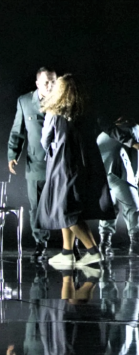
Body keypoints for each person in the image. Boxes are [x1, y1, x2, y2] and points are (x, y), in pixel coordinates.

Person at [37, 74, 115, 267]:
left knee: (66, 210)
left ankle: (93, 251)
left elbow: (45, 139)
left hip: (62, 165)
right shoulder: (87, 112)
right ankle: (67, 252)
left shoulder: (54, 111)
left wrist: (51, 152)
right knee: (68, 207)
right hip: (85, 164)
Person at [7, 67, 56, 261]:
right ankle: (40, 244)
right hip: (36, 163)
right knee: (36, 206)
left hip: (60, 163)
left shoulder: (64, 100)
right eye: (46, 82)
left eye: (53, 81)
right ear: (37, 84)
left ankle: (72, 246)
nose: (50, 86)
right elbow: (17, 130)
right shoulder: (25, 101)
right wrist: (13, 154)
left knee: (66, 205)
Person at [96, 116, 139, 258]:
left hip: (102, 172)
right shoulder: (133, 128)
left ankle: (104, 244)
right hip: (116, 170)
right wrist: (135, 180)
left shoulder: (105, 132)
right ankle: (136, 245)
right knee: (133, 208)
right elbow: (138, 155)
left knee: (109, 208)